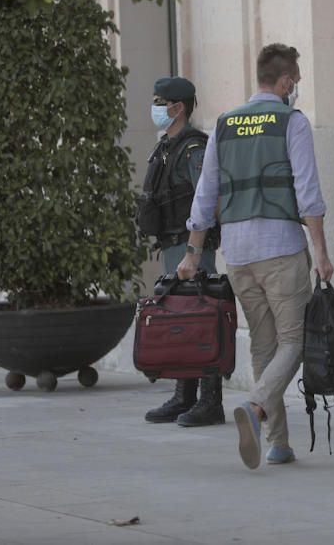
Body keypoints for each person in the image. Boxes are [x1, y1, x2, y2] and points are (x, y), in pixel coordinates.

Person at [177, 43, 334, 470]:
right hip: (281, 247)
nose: (296, 88)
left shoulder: (224, 124)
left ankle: (277, 443)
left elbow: (205, 193)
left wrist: (193, 253)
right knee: (295, 342)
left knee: (264, 346)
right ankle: (257, 406)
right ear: (284, 82)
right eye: (296, 81)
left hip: (239, 251)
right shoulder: (291, 122)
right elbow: (308, 193)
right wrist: (320, 251)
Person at [139, 76, 224, 427]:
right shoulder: (165, 147)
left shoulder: (193, 149)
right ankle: (183, 395)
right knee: (180, 317)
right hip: (173, 245)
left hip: (191, 248)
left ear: (178, 108)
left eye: (161, 102)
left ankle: (210, 400)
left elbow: (209, 198)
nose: (156, 108)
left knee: (201, 318)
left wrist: (194, 248)